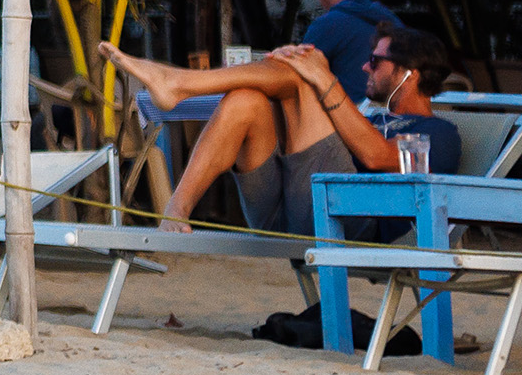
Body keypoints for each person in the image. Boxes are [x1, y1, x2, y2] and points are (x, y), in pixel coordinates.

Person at [104, 23, 462, 241]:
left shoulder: (440, 133)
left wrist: (319, 76)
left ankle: (179, 83)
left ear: (409, 74)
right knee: (246, 101)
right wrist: (280, 70)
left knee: (301, 75)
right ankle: (177, 209)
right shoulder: (366, 117)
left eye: (378, 60)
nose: (366, 65)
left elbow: (375, 156)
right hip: (287, 210)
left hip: (346, 219)